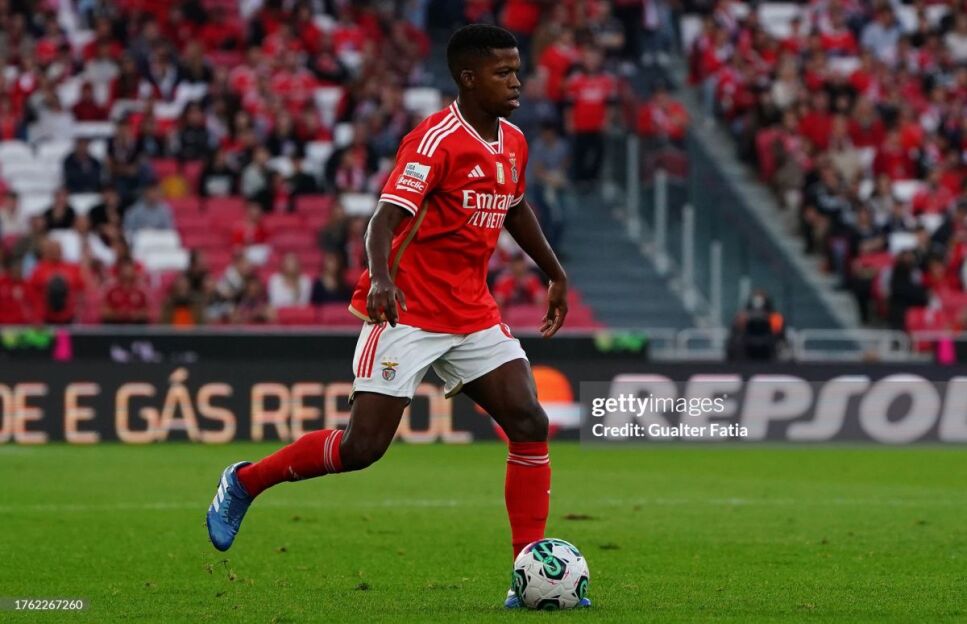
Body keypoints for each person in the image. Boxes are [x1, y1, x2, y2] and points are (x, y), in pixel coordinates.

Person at [205, 24, 581, 610]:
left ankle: (526, 574)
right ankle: (245, 480)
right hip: (407, 310)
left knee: (529, 421)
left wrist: (554, 272)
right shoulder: (434, 141)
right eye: (503, 72)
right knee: (362, 448)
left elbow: (514, 206)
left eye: (516, 70)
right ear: (468, 78)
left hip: (472, 312)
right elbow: (383, 218)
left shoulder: (513, 141)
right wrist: (381, 278)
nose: (516, 81)